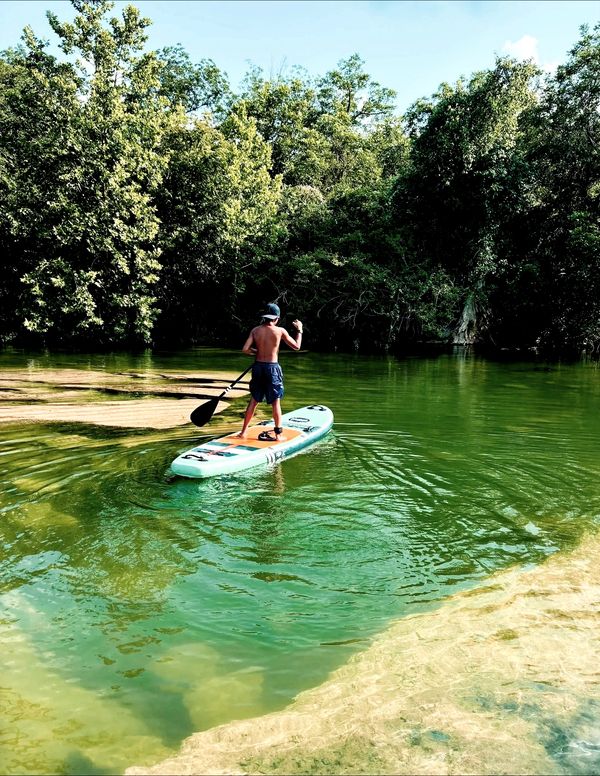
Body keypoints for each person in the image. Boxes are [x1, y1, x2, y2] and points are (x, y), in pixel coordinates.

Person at [235, 303, 303, 441]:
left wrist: (257, 351)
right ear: (276, 318)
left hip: (258, 367)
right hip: (272, 368)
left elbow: (245, 349)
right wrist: (299, 330)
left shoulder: (255, 330)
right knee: (275, 402)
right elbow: (297, 346)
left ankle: (243, 432)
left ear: (264, 317)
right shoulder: (280, 331)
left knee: (254, 400)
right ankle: (278, 435)